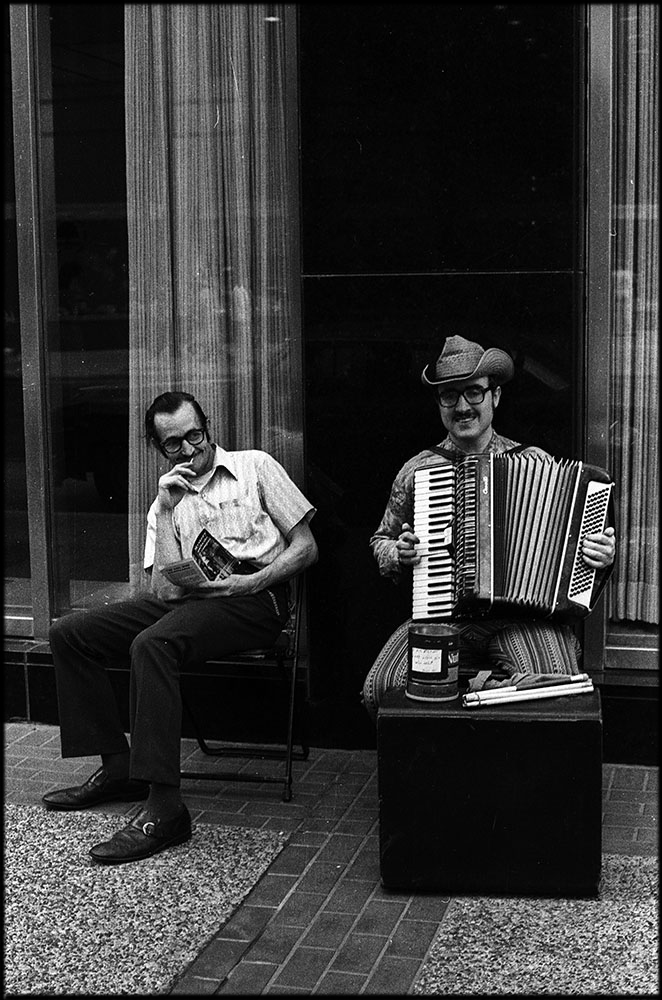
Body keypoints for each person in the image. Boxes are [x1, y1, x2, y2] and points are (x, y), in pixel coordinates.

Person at [43, 390, 318, 864]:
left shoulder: (255, 465)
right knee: (70, 634)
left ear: (206, 426)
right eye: (175, 444)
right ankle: (119, 767)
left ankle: (165, 810)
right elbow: (166, 592)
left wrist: (253, 579)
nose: (190, 450)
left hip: (257, 599)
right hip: (191, 604)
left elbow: (306, 546)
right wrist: (168, 509)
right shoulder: (165, 500)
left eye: (196, 435)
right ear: (158, 447)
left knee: (153, 645)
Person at [362, 335, 616, 720]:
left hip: (523, 620)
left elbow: (581, 553)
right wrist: (397, 553)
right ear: (439, 404)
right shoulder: (418, 470)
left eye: (474, 393)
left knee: (556, 689)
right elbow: (381, 538)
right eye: (450, 395)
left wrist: (601, 555)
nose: (463, 406)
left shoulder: (536, 463)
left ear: (494, 397)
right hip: (444, 621)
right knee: (381, 689)